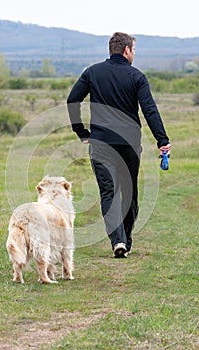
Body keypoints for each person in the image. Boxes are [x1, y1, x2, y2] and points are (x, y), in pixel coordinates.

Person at [67, 32, 171, 258]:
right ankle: (125, 240)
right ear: (126, 50)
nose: (134, 53)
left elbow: (72, 100)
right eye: (134, 49)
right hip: (129, 144)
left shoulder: (92, 73)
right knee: (129, 192)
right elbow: (149, 110)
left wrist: (81, 131)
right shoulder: (137, 77)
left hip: (101, 142)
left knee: (108, 193)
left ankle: (118, 240)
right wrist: (162, 140)